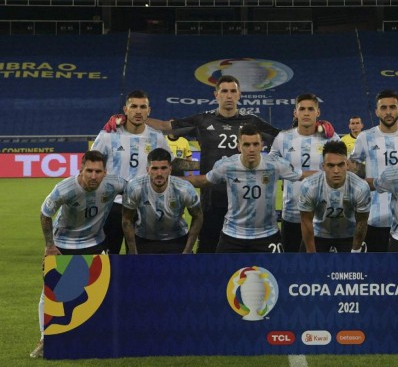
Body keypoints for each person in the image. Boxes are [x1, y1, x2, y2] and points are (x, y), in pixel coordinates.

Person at [102, 75, 334, 254]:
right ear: (216, 95)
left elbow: (286, 136)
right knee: (208, 253)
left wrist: (316, 125)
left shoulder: (252, 122)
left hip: (246, 203)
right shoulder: (203, 120)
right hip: (212, 199)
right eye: (224, 91)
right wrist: (126, 120)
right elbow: (164, 125)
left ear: (239, 95)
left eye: (233, 91)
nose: (229, 95)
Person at [31, 150, 126, 359]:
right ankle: (45, 339)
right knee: (52, 292)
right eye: (89, 171)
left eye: (98, 172)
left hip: (95, 242)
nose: (93, 176)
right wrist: (49, 246)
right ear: (81, 169)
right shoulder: (65, 188)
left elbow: (136, 193)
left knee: (102, 290)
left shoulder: (114, 184)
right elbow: (45, 214)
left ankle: (98, 336)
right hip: (63, 244)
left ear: (105, 172)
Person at [186, 125, 313, 253]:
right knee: (224, 273)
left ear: (261, 145)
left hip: (267, 235)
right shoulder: (226, 166)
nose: (251, 149)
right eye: (246, 145)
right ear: (239, 146)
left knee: (275, 272)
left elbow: (302, 175)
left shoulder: (275, 165)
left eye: (255, 144)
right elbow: (202, 180)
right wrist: (173, 180)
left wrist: (327, 175)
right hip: (232, 235)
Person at [91, 90, 173, 255]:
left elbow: (169, 167)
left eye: (143, 107)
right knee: (107, 257)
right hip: (112, 206)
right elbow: (91, 166)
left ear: (149, 111)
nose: (138, 111)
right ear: (125, 110)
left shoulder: (157, 137)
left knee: (139, 258)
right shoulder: (108, 135)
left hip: (143, 206)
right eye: (133, 106)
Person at [269, 93, 340, 252]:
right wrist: (299, 173)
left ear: (318, 112)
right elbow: (270, 165)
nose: (306, 113)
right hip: (292, 214)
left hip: (323, 215)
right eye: (302, 109)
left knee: (322, 266)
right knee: (291, 265)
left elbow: (343, 166)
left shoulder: (330, 138)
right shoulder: (283, 138)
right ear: (295, 113)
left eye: (310, 109)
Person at [349, 89, 398, 252]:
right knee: (376, 268)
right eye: (384, 108)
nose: (388, 112)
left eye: (392, 107)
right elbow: (354, 167)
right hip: (374, 217)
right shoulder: (365, 137)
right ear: (376, 111)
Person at [122, 148, 203, 254]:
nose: (159, 173)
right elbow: (126, 219)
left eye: (163, 168)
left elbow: (198, 216)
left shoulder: (184, 188)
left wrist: (187, 250)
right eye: (154, 168)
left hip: (177, 240)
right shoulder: (135, 187)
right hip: (144, 239)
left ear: (170, 169)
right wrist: (133, 251)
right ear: (148, 169)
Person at [298, 140, 370, 253]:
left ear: (347, 164)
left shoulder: (360, 187)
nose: (336, 171)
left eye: (340, 165)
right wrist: (311, 254)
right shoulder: (309, 186)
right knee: (307, 268)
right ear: (323, 167)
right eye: (330, 166)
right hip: (318, 234)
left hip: (349, 235)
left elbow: (362, 221)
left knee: (354, 270)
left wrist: (356, 251)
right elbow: (306, 220)